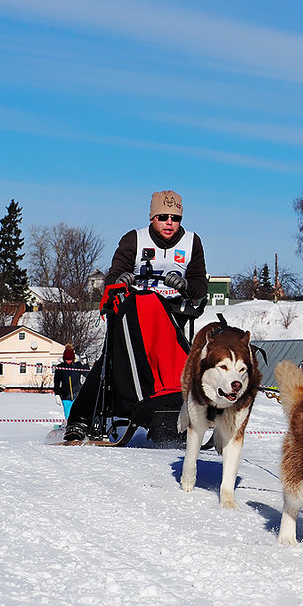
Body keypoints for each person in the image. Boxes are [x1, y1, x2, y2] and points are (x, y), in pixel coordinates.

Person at [64, 190, 208, 443]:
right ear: (152, 217)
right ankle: (80, 419)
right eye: (163, 217)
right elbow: (113, 277)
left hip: (173, 316)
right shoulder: (134, 240)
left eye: (175, 218)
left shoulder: (192, 243)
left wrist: (185, 285)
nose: (169, 223)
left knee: (184, 361)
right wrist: (122, 280)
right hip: (133, 315)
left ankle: (179, 408)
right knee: (109, 363)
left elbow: (200, 286)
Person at [53, 344, 86, 419]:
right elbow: (56, 382)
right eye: (67, 359)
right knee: (68, 416)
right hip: (65, 396)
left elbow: (87, 374)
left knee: (78, 416)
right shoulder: (60, 367)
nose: (69, 361)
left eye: (70, 359)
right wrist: (57, 394)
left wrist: (85, 363)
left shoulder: (78, 365)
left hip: (77, 396)